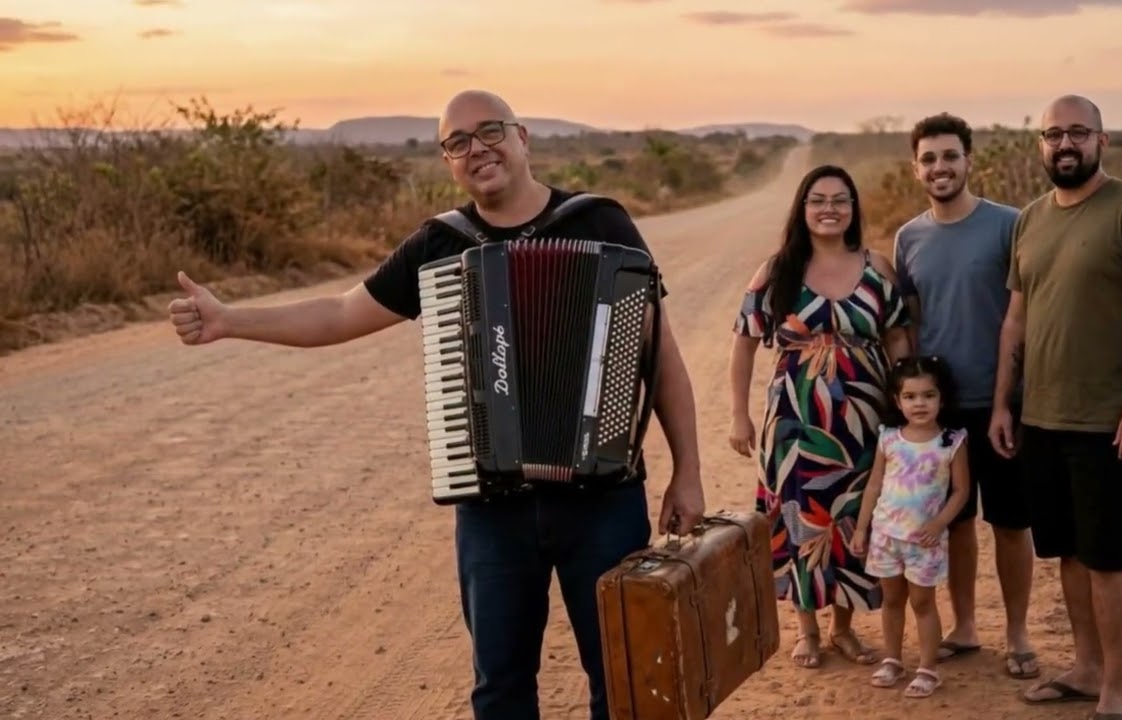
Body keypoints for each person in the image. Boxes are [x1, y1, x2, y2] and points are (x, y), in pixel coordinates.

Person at [166, 89, 706, 720]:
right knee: (500, 688)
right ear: (448, 161)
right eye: (458, 142)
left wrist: (686, 471)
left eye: (490, 132)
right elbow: (341, 313)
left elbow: (660, 356)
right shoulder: (439, 245)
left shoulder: (600, 223)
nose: (477, 149)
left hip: (603, 502)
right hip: (492, 512)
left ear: (523, 137)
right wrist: (230, 320)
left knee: (625, 678)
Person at [991, 94, 1122, 720]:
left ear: (1103, 140)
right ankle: (1085, 666)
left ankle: (1117, 691)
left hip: (1109, 421)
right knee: (1068, 551)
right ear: (1040, 145)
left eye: (1078, 132)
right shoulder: (1031, 219)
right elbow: (1016, 319)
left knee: (1108, 555)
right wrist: (1002, 405)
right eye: (1053, 134)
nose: (1064, 144)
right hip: (1041, 415)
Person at [728, 164, 911, 669]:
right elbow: (744, 343)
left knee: (853, 515)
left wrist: (905, 404)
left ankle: (843, 627)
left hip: (863, 420)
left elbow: (897, 336)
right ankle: (807, 629)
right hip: (793, 420)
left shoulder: (877, 266)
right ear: (802, 209)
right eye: (817, 199)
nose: (829, 208)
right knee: (800, 514)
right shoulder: (777, 269)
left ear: (853, 208)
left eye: (840, 199)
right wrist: (739, 416)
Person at [891, 112, 1039, 679]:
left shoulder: (1009, 225)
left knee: (1009, 521)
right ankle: (967, 626)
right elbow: (909, 321)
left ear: (969, 160)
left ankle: (1019, 634)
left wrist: (1012, 396)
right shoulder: (909, 237)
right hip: (941, 410)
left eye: (950, 156)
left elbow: (1025, 315)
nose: (940, 167)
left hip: (1002, 400)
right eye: (928, 158)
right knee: (955, 523)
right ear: (916, 167)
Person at [853, 355, 971, 699]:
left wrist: (939, 523)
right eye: (910, 396)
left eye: (928, 395)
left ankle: (927, 668)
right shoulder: (889, 438)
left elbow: (962, 490)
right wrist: (862, 529)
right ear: (897, 400)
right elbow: (874, 485)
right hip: (887, 536)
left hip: (925, 541)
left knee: (922, 602)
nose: (919, 403)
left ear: (941, 398)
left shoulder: (951, 442)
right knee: (891, 600)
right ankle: (892, 660)